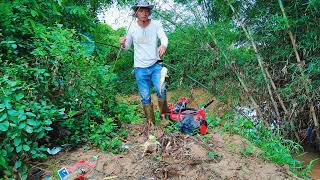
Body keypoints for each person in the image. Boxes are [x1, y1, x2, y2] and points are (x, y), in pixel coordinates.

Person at [119, 0, 169, 130]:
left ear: (149, 12)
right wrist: (122, 43)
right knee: (145, 95)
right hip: (140, 68)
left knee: (161, 89)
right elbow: (126, 47)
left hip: (156, 65)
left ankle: (163, 116)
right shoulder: (131, 28)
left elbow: (164, 37)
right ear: (136, 12)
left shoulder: (156, 24)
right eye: (141, 10)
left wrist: (163, 45)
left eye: (146, 10)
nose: (144, 13)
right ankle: (151, 121)